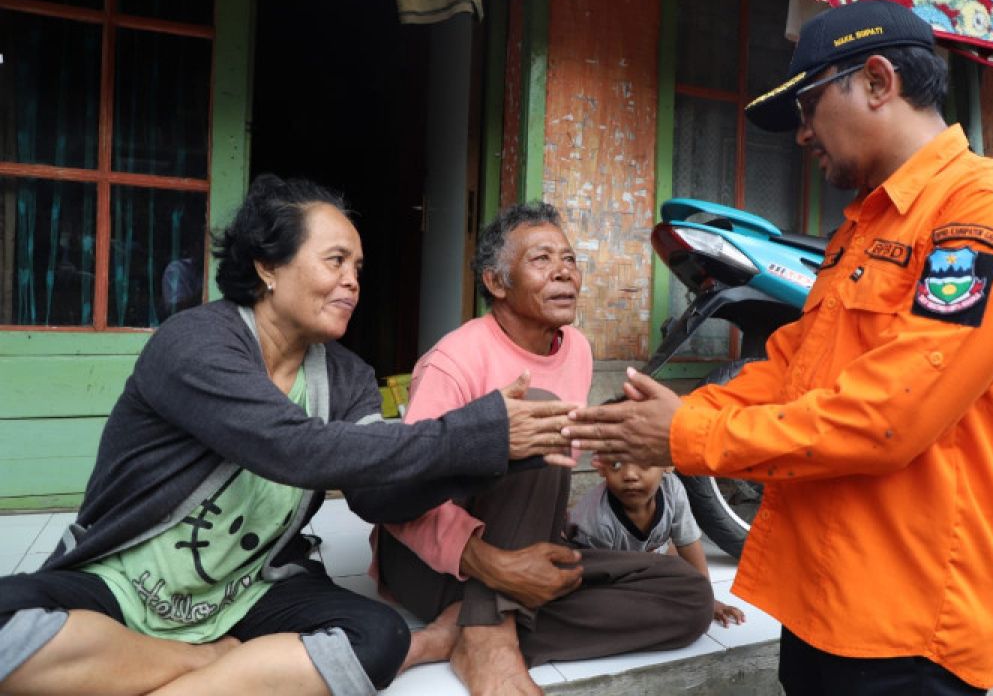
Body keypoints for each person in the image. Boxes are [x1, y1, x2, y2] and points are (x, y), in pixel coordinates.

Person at [565, 0, 993, 695]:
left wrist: (688, 433)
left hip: (906, 622)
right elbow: (791, 365)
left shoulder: (987, 214)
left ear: (875, 80)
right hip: (823, 596)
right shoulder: (861, 229)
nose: (801, 134)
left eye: (806, 108)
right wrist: (667, 415)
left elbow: (887, 417)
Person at [0, 175, 578, 696]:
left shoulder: (347, 376)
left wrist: (500, 452)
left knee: (374, 636)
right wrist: (467, 433)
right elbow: (296, 448)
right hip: (124, 580)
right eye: (334, 261)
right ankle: (212, 661)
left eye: (357, 268)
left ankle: (148, 671)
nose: (351, 282)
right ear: (267, 267)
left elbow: (375, 494)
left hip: (246, 589)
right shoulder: (196, 342)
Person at [373, 201, 713, 696]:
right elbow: (403, 496)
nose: (564, 273)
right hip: (436, 561)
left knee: (690, 598)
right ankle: (490, 634)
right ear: (495, 282)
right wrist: (490, 563)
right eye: (541, 260)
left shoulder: (577, 348)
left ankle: (463, 629)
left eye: (570, 259)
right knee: (534, 409)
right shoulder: (454, 361)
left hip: (524, 544)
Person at [568, 460, 746, 628]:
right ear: (601, 467)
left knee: (678, 564)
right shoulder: (598, 520)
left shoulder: (673, 490)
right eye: (616, 464)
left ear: (667, 463)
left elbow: (688, 545)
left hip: (649, 551)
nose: (629, 475)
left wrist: (708, 599)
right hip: (599, 563)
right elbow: (602, 577)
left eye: (644, 462)